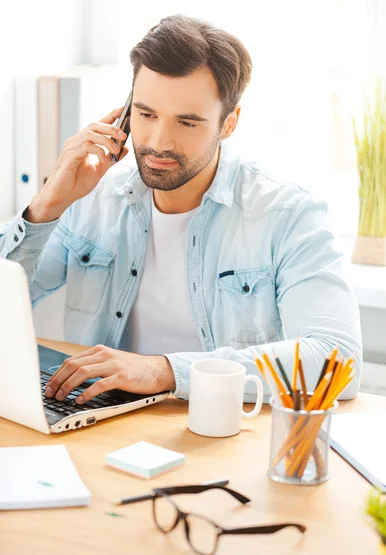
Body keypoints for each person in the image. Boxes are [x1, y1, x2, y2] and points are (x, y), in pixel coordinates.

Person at [0, 14, 362, 405]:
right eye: (146, 114)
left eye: (187, 122)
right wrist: (47, 206)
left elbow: (337, 360)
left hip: (218, 433)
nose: (158, 142)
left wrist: (164, 371)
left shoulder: (290, 214)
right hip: (96, 421)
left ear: (228, 124)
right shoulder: (92, 201)